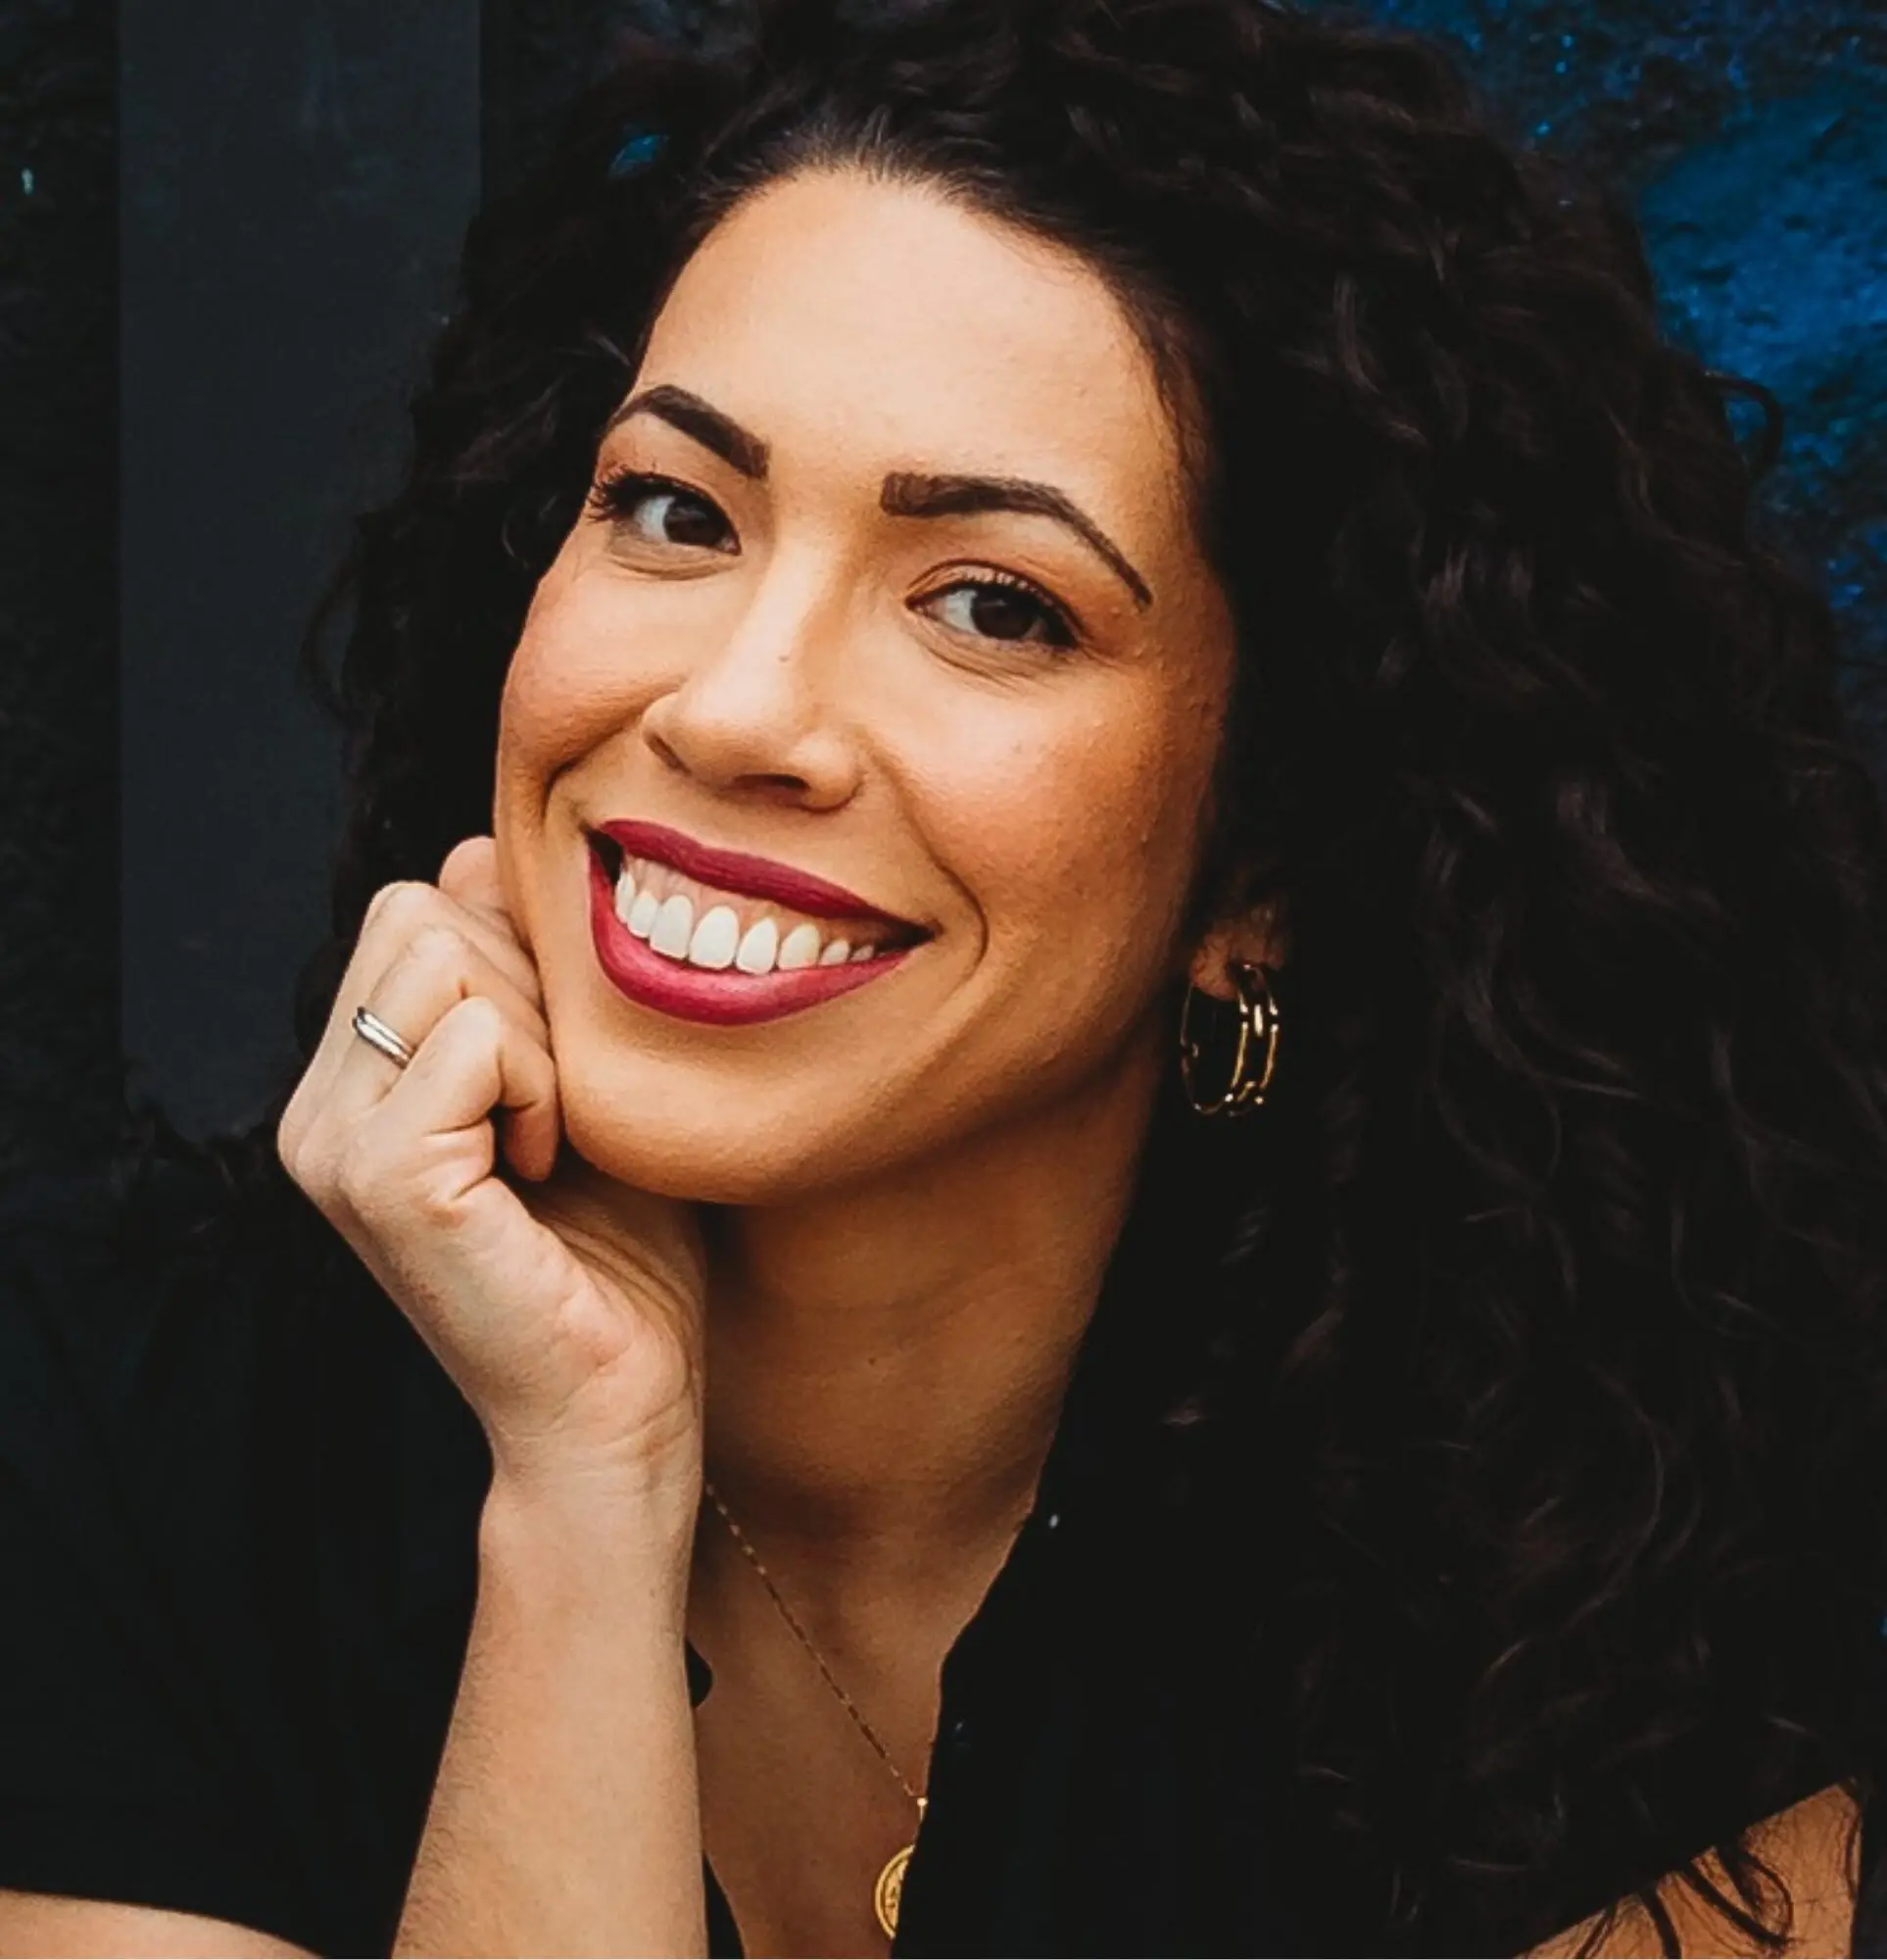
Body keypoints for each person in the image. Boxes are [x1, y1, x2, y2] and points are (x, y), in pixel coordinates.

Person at [5, 0, 1887, 1952]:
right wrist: (582, 1490)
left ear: (1266, 859)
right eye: (675, 510)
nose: (736, 709)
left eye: (991, 605)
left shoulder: (1602, 1597)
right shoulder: (109, 1458)